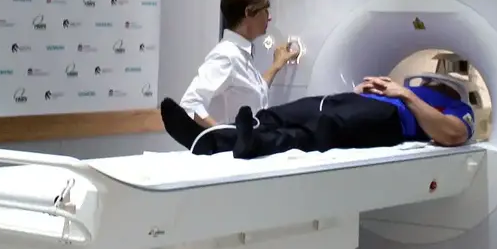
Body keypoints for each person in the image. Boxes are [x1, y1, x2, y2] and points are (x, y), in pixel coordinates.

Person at [161, 75, 475, 159]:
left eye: (436, 80)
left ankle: (251, 145)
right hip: (347, 100)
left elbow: (453, 134)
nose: (429, 81)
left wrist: (405, 95)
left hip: (388, 118)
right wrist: (365, 88)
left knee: (318, 132)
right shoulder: (406, 84)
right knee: (276, 115)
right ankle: (205, 140)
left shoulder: (457, 106)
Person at [179, 0, 299, 127]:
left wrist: (276, 65)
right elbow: (190, 104)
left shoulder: (241, 54)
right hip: (231, 148)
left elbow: (255, 90)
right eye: (265, 11)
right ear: (248, 12)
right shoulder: (226, 56)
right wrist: (224, 135)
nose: (269, 18)